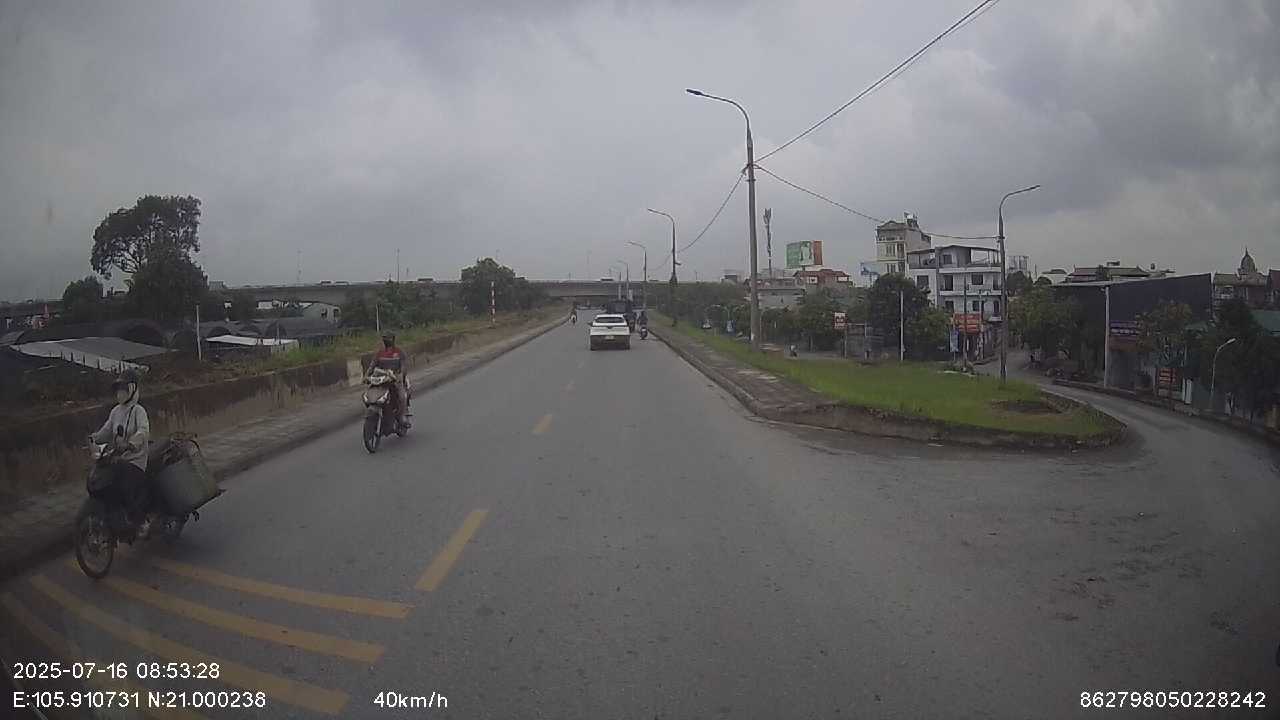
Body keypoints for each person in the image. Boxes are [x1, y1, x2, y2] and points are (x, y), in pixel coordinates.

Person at [90, 369, 152, 537]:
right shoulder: (116, 411)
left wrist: (131, 444)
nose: (120, 393)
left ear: (132, 389)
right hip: (119, 460)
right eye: (118, 389)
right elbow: (105, 431)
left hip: (135, 461)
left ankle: (140, 521)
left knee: (122, 483)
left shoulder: (139, 411)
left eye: (123, 389)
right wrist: (93, 438)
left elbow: (144, 431)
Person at [368, 330, 410, 428]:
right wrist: (366, 376)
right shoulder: (379, 353)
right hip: (382, 379)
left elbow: (404, 366)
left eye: (388, 338)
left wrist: (401, 376)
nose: (386, 340)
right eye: (384, 338)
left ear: (393, 339)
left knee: (402, 396)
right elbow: (372, 366)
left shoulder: (399, 352)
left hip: (396, 379)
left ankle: (402, 416)